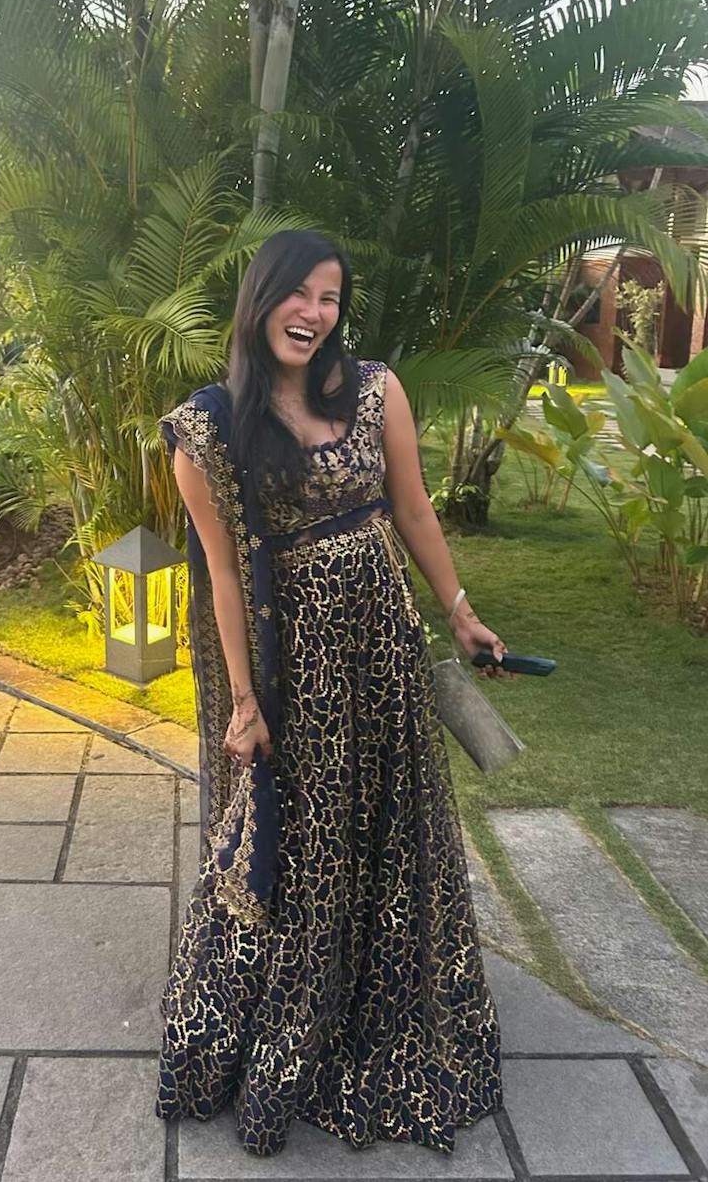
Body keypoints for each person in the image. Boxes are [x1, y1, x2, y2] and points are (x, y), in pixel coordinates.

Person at [153, 229, 513, 1159]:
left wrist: (460, 612)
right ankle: (300, 1021)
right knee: (307, 842)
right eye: (299, 292)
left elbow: (413, 507)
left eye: (331, 297)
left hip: (382, 648)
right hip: (295, 668)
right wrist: (244, 702)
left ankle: (385, 1005)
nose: (314, 312)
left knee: (390, 823)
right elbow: (223, 575)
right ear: (261, 297)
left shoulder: (376, 390)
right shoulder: (208, 431)